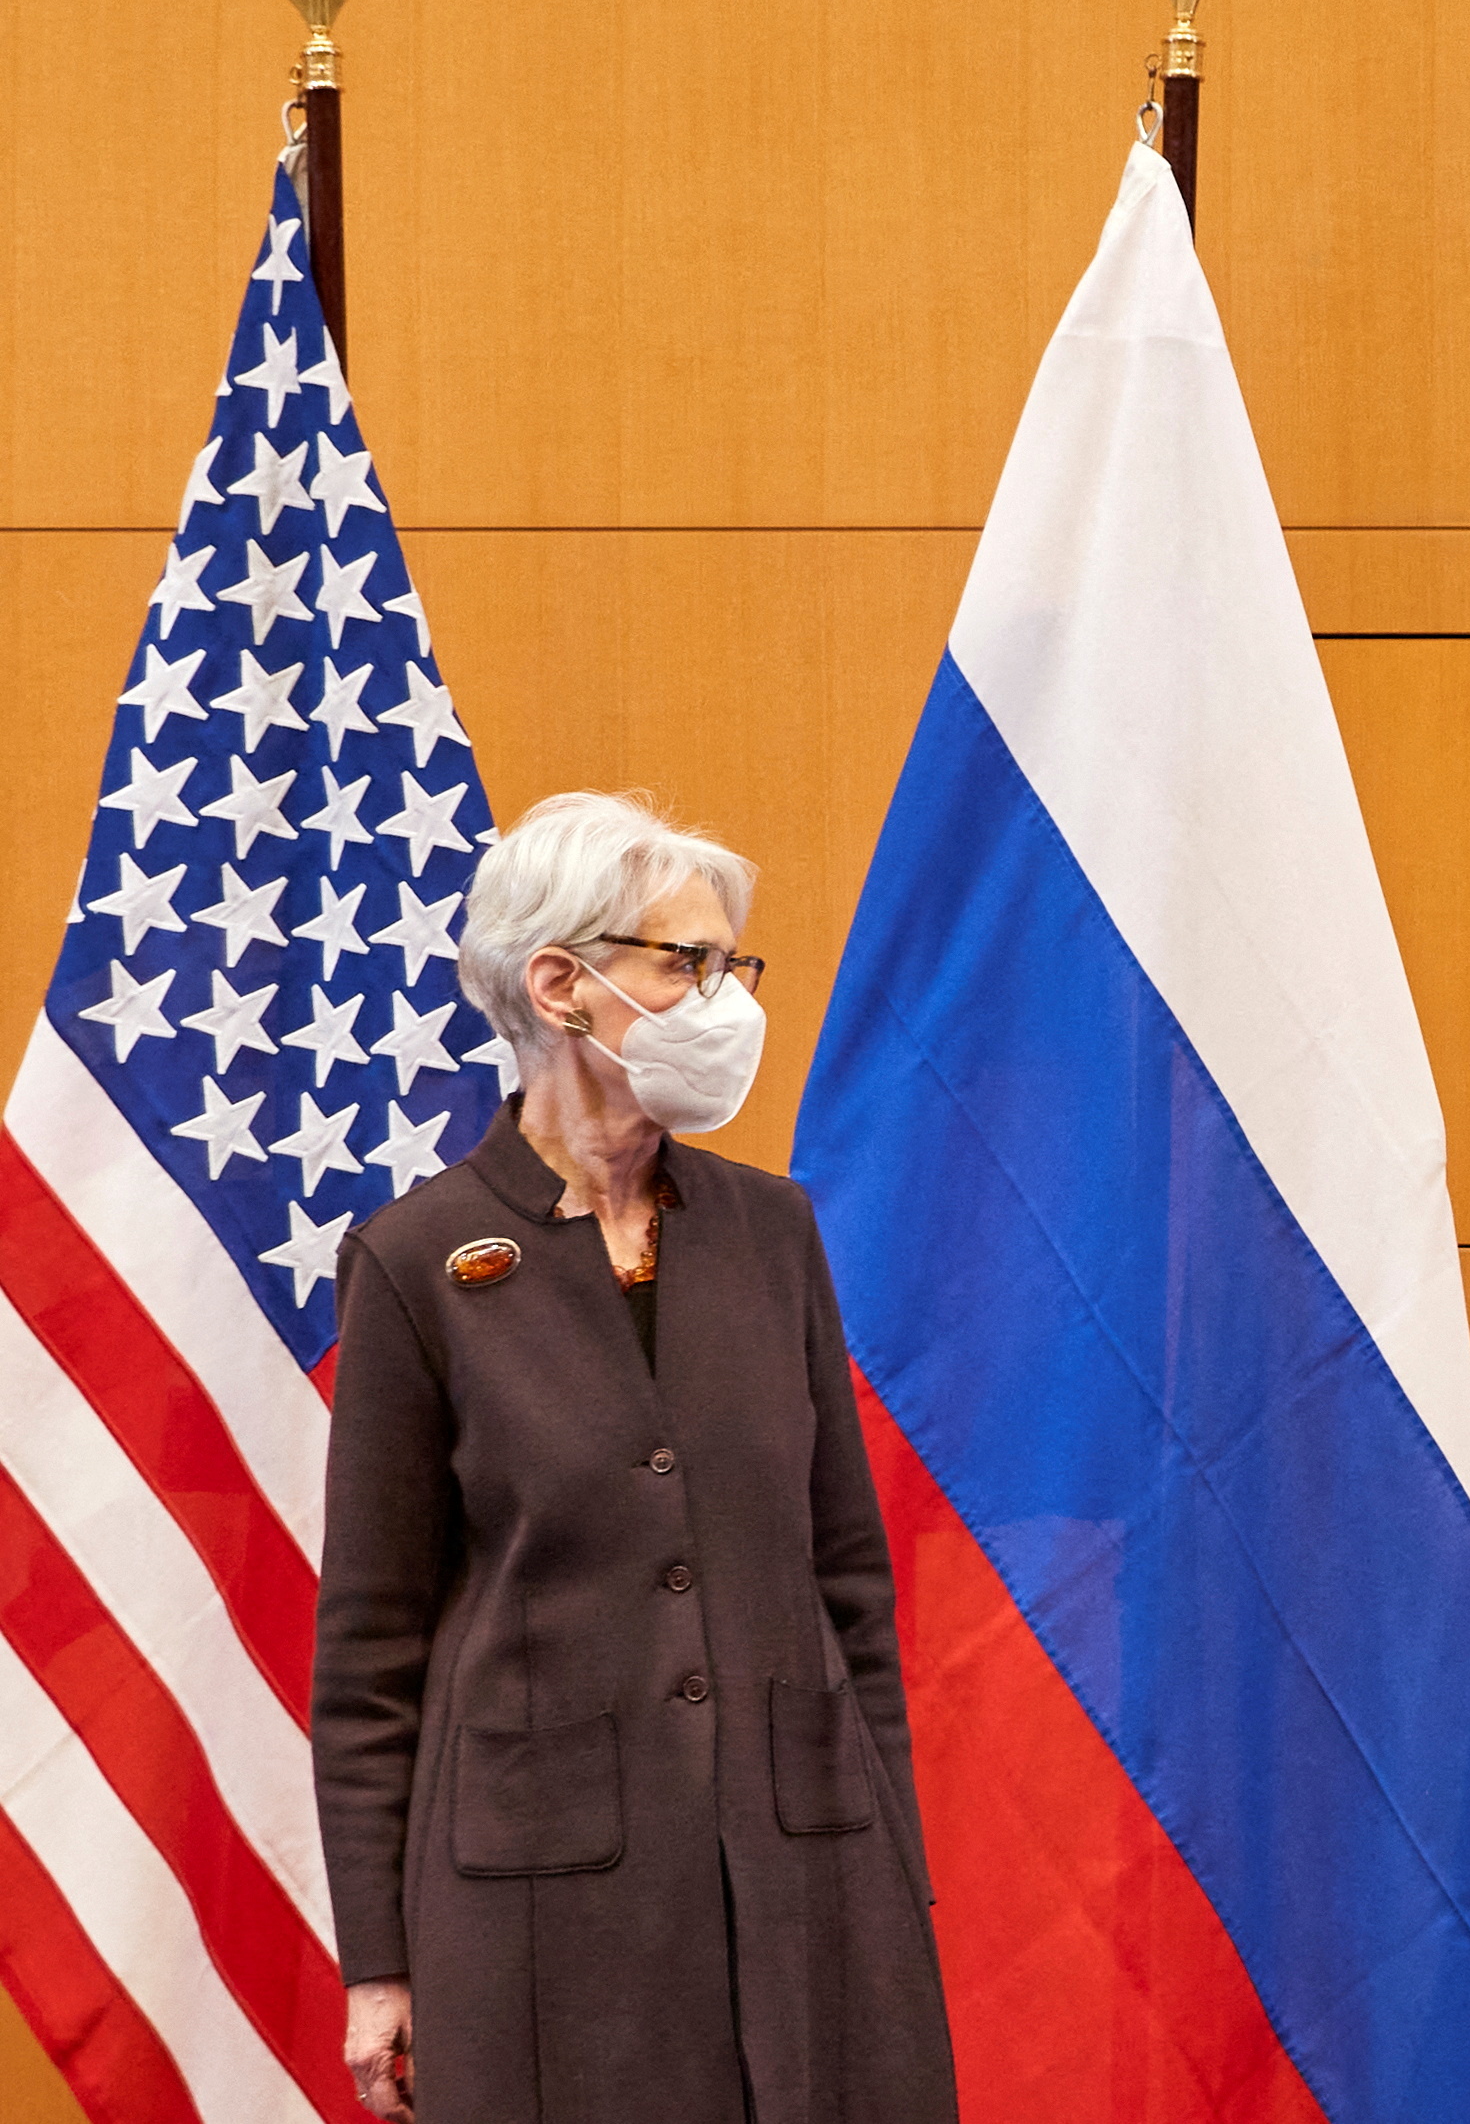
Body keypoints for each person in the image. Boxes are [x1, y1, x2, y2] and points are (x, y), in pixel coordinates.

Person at [310, 791, 957, 2124]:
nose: (723, 998)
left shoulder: (774, 1233)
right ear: (561, 983)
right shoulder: (417, 1259)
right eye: (686, 962)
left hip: (807, 1877)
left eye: (732, 964)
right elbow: (368, 1651)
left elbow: (849, 1580)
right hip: (540, 1907)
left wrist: (891, 1857)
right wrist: (378, 1961)